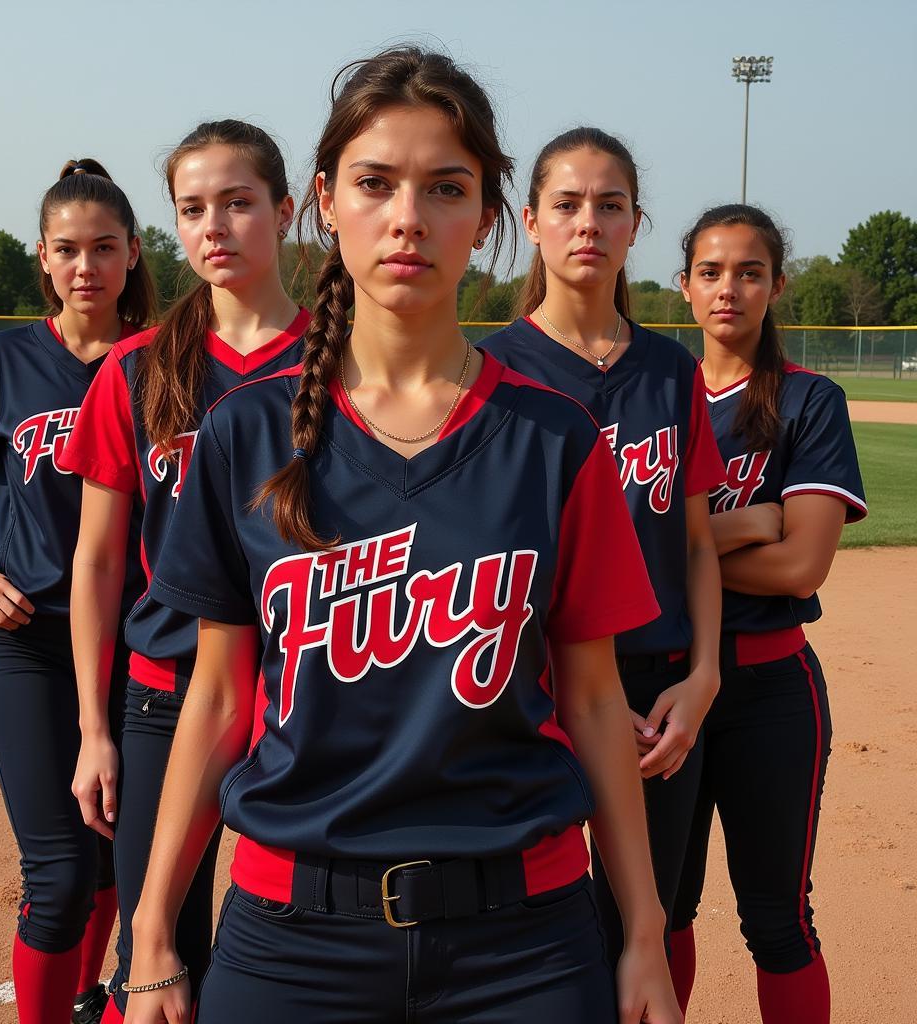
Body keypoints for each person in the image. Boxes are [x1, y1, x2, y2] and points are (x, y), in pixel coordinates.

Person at [122, 48, 682, 1024]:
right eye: (376, 183)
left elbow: (594, 702)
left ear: (488, 219)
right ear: (327, 202)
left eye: (447, 187)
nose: (409, 217)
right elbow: (217, 696)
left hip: (526, 939)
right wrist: (155, 932)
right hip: (291, 933)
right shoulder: (246, 435)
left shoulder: (553, 441)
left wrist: (640, 934)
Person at [58, 121, 308, 1021]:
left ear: (286, 211)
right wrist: (94, 728)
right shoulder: (136, 368)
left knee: (307, 953)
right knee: (160, 960)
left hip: (306, 694)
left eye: (240, 203)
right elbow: (97, 561)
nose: (216, 226)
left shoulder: (346, 360)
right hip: (169, 695)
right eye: (193, 208)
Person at [482, 127, 726, 972]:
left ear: (634, 226)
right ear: (532, 221)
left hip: (659, 692)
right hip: (529, 684)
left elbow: (696, 543)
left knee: (654, 909)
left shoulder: (670, 369)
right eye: (568, 204)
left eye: (610, 205)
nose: (589, 222)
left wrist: (703, 677)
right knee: (533, 922)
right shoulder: (491, 369)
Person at [0, 159, 156, 1024]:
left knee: (107, 860)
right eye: (68, 250)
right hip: (27, 639)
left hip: (134, 643)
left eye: (104, 247)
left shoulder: (160, 361)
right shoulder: (8, 357)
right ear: (43, 258)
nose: (86, 266)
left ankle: (87, 998)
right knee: (59, 872)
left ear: (134, 253)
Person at [670, 204, 867, 1024]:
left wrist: (682, 541)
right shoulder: (653, 396)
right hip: (662, 690)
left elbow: (799, 564)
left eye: (750, 272)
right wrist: (746, 521)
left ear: (776, 286)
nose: (729, 289)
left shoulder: (808, 401)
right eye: (711, 272)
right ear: (684, 288)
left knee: (777, 921)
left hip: (771, 696)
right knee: (655, 910)